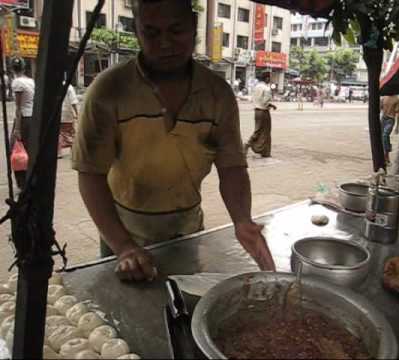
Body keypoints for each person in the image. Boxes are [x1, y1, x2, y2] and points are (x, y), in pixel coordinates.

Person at [72, 0, 275, 282]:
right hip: (123, 231)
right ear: (137, 32)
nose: (165, 43)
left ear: (193, 26)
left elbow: (232, 167)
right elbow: (90, 175)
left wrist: (242, 220)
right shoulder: (108, 90)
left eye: (176, 30)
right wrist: (124, 247)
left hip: (186, 231)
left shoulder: (218, 94)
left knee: (182, 308)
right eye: (151, 33)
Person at [10, 57, 35, 190]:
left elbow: (18, 107)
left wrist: (17, 129)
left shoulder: (16, 82)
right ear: (24, 68)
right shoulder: (30, 81)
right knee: (29, 150)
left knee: (15, 150)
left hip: (24, 119)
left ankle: (22, 183)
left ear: (12, 68)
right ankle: (31, 180)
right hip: (32, 118)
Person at [245, 72, 277, 157]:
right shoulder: (266, 88)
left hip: (257, 111)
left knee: (259, 130)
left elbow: (254, 99)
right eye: (269, 78)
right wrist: (272, 105)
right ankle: (247, 144)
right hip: (263, 112)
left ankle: (264, 151)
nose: (270, 80)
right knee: (264, 131)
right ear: (266, 78)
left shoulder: (256, 87)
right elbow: (265, 102)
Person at [58, 83, 79, 157]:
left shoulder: (53, 86)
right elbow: (73, 101)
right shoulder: (69, 87)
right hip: (67, 113)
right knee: (70, 132)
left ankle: (59, 152)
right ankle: (74, 151)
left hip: (57, 114)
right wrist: (77, 113)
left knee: (59, 134)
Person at [380, 95, 399, 165]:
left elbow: (398, 114)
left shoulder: (397, 99)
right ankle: (384, 155)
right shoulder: (383, 98)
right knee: (382, 138)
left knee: (385, 136)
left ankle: (387, 157)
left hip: (390, 119)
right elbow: (379, 109)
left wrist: (397, 127)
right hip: (383, 119)